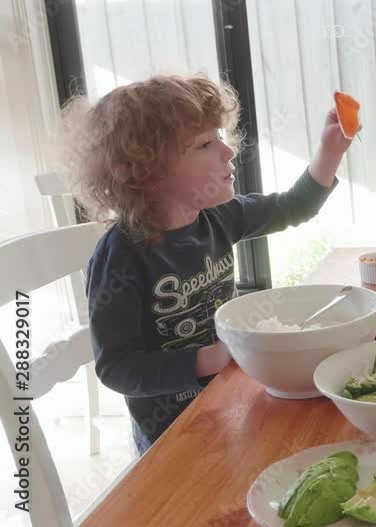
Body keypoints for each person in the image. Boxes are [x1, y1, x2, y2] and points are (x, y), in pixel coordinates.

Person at [67, 75, 356, 454]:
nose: (228, 151)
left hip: (232, 400)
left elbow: (292, 207)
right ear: (148, 171)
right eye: (204, 144)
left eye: (219, 136)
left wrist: (330, 150)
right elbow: (117, 368)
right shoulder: (121, 255)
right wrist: (211, 358)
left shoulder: (217, 215)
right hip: (174, 434)